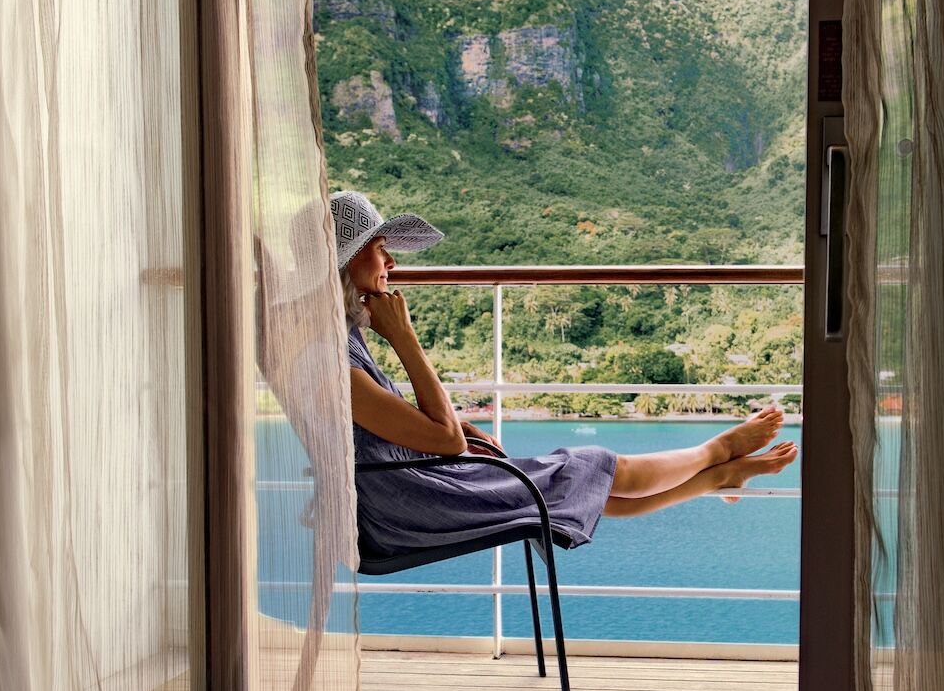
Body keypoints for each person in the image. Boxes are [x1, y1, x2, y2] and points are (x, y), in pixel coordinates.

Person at [331, 190, 798, 558]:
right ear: (349, 260)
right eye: (379, 247)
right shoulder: (337, 365)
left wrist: (460, 428)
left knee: (588, 487)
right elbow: (445, 441)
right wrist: (405, 339)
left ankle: (717, 478)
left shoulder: (341, 341)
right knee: (591, 465)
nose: (391, 262)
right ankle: (715, 451)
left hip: (413, 487)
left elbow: (399, 431)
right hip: (414, 505)